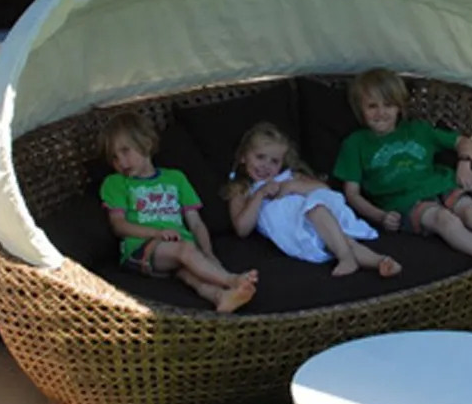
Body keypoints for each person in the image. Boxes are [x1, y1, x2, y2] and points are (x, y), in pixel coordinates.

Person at [334, 68, 472, 270]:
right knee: (444, 219)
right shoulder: (355, 143)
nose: (381, 113)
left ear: (399, 107)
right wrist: (380, 216)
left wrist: (464, 165)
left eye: (388, 105)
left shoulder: (418, 129)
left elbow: (464, 142)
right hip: (405, 202)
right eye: (372, 106)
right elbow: (352, 194)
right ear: (360, 109)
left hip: (441, 185)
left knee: (471, 212)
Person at [97, 111, 258, 313]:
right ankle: (231, 280)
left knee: (190, 273)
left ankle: (220, 297)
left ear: (146, 143)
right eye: (114, 157)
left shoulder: (175, 178)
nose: (121, 162)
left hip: (176, 249)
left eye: (125, 151)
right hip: (140, 249)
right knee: (185, 250)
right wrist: (157, 233)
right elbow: (119, 225)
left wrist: (208, 253)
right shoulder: (116, 183)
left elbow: (196, 223)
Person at [225, 122, 402, 278]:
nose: (266, 166)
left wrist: (293, 186)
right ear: (243, 156)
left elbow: (323, 189)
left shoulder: (288, 177)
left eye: (274, 161)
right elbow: (242, 229)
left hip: (315, 216)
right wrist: (260, 194)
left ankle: (379, 261)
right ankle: (348, 257)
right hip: (294, 229)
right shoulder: (241, 190)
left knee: (326, 219)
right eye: (260, 157)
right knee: (340, 241)